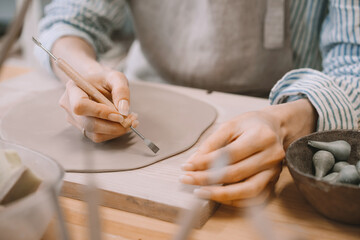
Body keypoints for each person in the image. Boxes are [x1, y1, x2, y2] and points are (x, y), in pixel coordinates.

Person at [36, 0, 360, 207]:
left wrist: (290, 121)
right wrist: (85, 73)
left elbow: (354, 61)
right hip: (146, 90)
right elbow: (71, 18)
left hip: (290, 108)